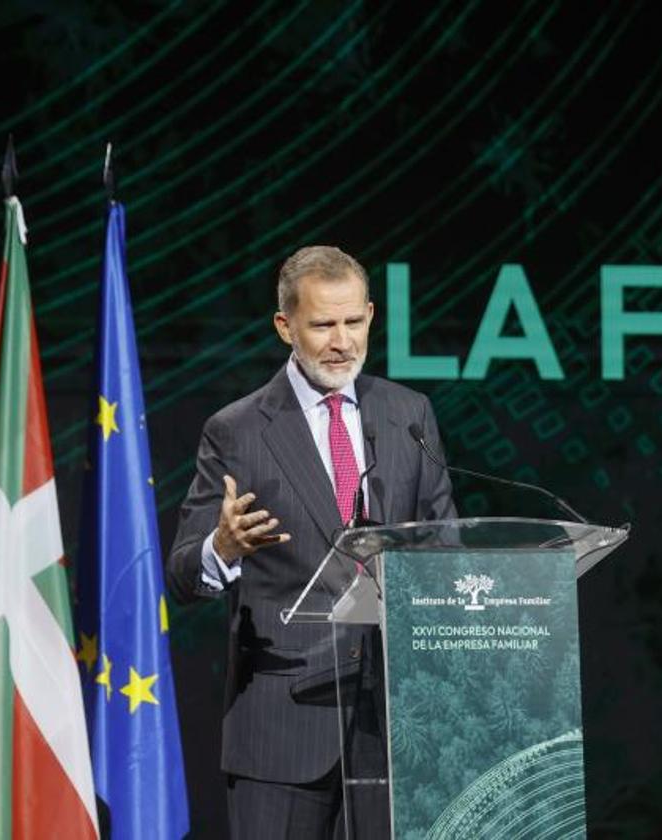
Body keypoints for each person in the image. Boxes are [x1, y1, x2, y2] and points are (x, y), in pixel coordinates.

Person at [166, 245, 455, 838]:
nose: (341, 341)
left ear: (372, 315)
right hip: (282, 729)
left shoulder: (409, 415)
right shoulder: (238, 430)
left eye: (353, 321)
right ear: (285, 327)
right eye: (323, 324)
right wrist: (221, 548)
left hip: (396, 726)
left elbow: (443, 547)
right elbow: (182, 576)